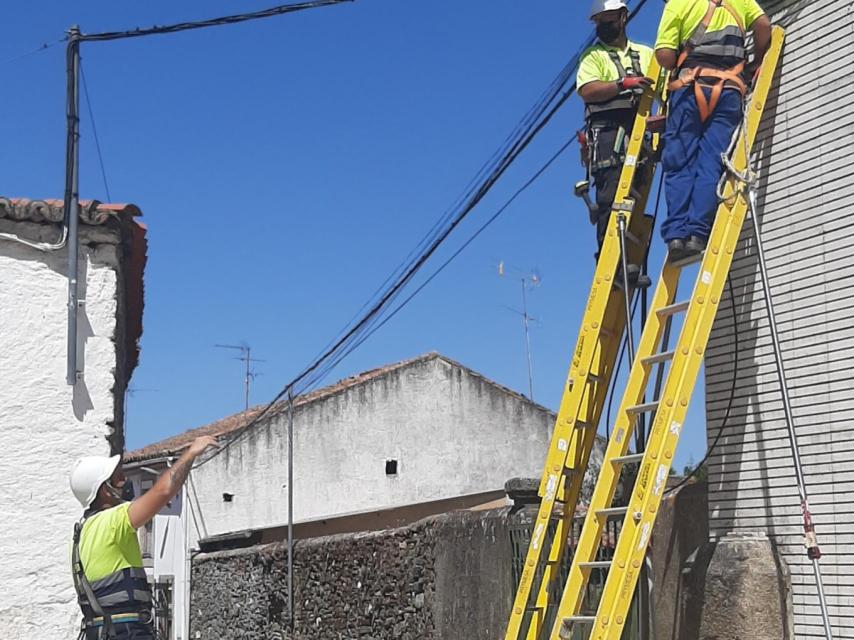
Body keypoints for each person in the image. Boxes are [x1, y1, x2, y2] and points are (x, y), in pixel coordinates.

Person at [69, 436, 219, 639]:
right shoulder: (112, 521)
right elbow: (163, 491)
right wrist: (191, 453)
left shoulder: (83, 531)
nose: (124, 481)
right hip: (126, 633)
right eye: (117, 478)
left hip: (101, 632)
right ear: (105, 490)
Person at [655, 0, 771, 261]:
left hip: (689, 88)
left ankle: (677, 235)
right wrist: (756, 60)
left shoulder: (678, 3)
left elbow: (663, 55)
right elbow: (764, 25)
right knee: (712, 161)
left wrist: (680, 57)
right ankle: (698, 233)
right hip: (730, 90)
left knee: (680, 162)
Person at [576, 0, 654, 286]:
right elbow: (588, 90)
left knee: (635, 198)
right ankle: (612, 265)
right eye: (598, 22)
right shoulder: (593, 57)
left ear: (623, 17)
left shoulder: (645, 54)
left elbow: (662, 87)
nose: (602, 27)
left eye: (607, 20)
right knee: (610, 198)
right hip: (609, 134)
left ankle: (631, 261)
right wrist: (623, 85)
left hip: (638, 133)